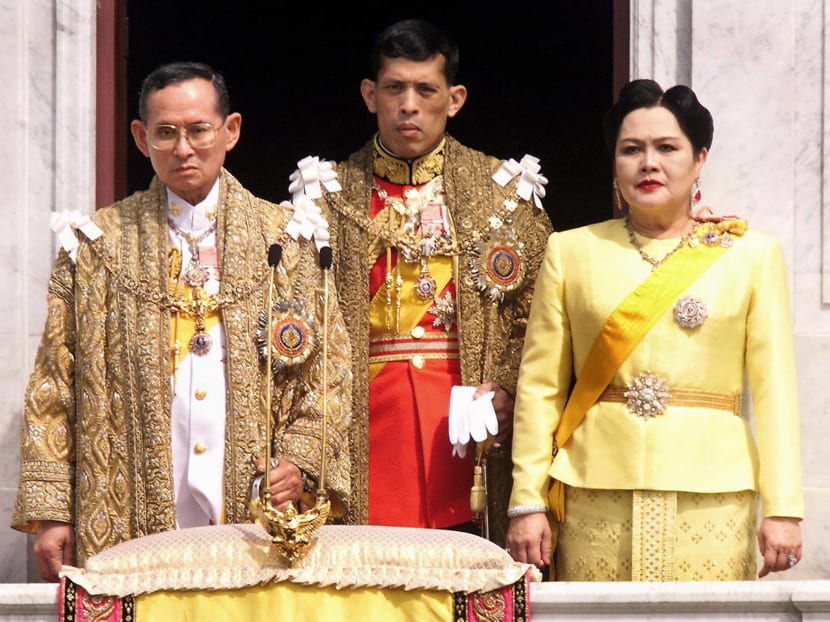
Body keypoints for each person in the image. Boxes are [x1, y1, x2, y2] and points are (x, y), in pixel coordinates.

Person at [12, 61, 352, 581]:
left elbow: (329, 373)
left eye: (198, 130)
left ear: (230, 130)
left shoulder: (288, 240)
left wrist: (300, 464)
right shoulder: (97, 245)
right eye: (165, 133)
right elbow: (55, 382)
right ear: (140, 137)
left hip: (254, 500)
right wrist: (53, 510)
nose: (183, 148)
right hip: (128, 494)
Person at [505, 78, 804, 581]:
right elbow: (540, 389)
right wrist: (526, 500)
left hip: (712, 493)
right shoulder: (571, 251)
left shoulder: (750, 255)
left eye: (667, 147)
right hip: (594, 491)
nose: (649, 163)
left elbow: (776, 392)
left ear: (700, 159)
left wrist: (784, 507)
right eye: (631, 149)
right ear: (614, 163)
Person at [289, 18, 552, 544]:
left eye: (425, 89)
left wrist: (505, 387)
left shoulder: (505, 195)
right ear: (370, 94)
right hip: (361, 429)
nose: (409, 104)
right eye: (394, 88)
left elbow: (543, 316)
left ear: (453, 99)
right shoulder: (323, 197)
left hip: (467, 428)